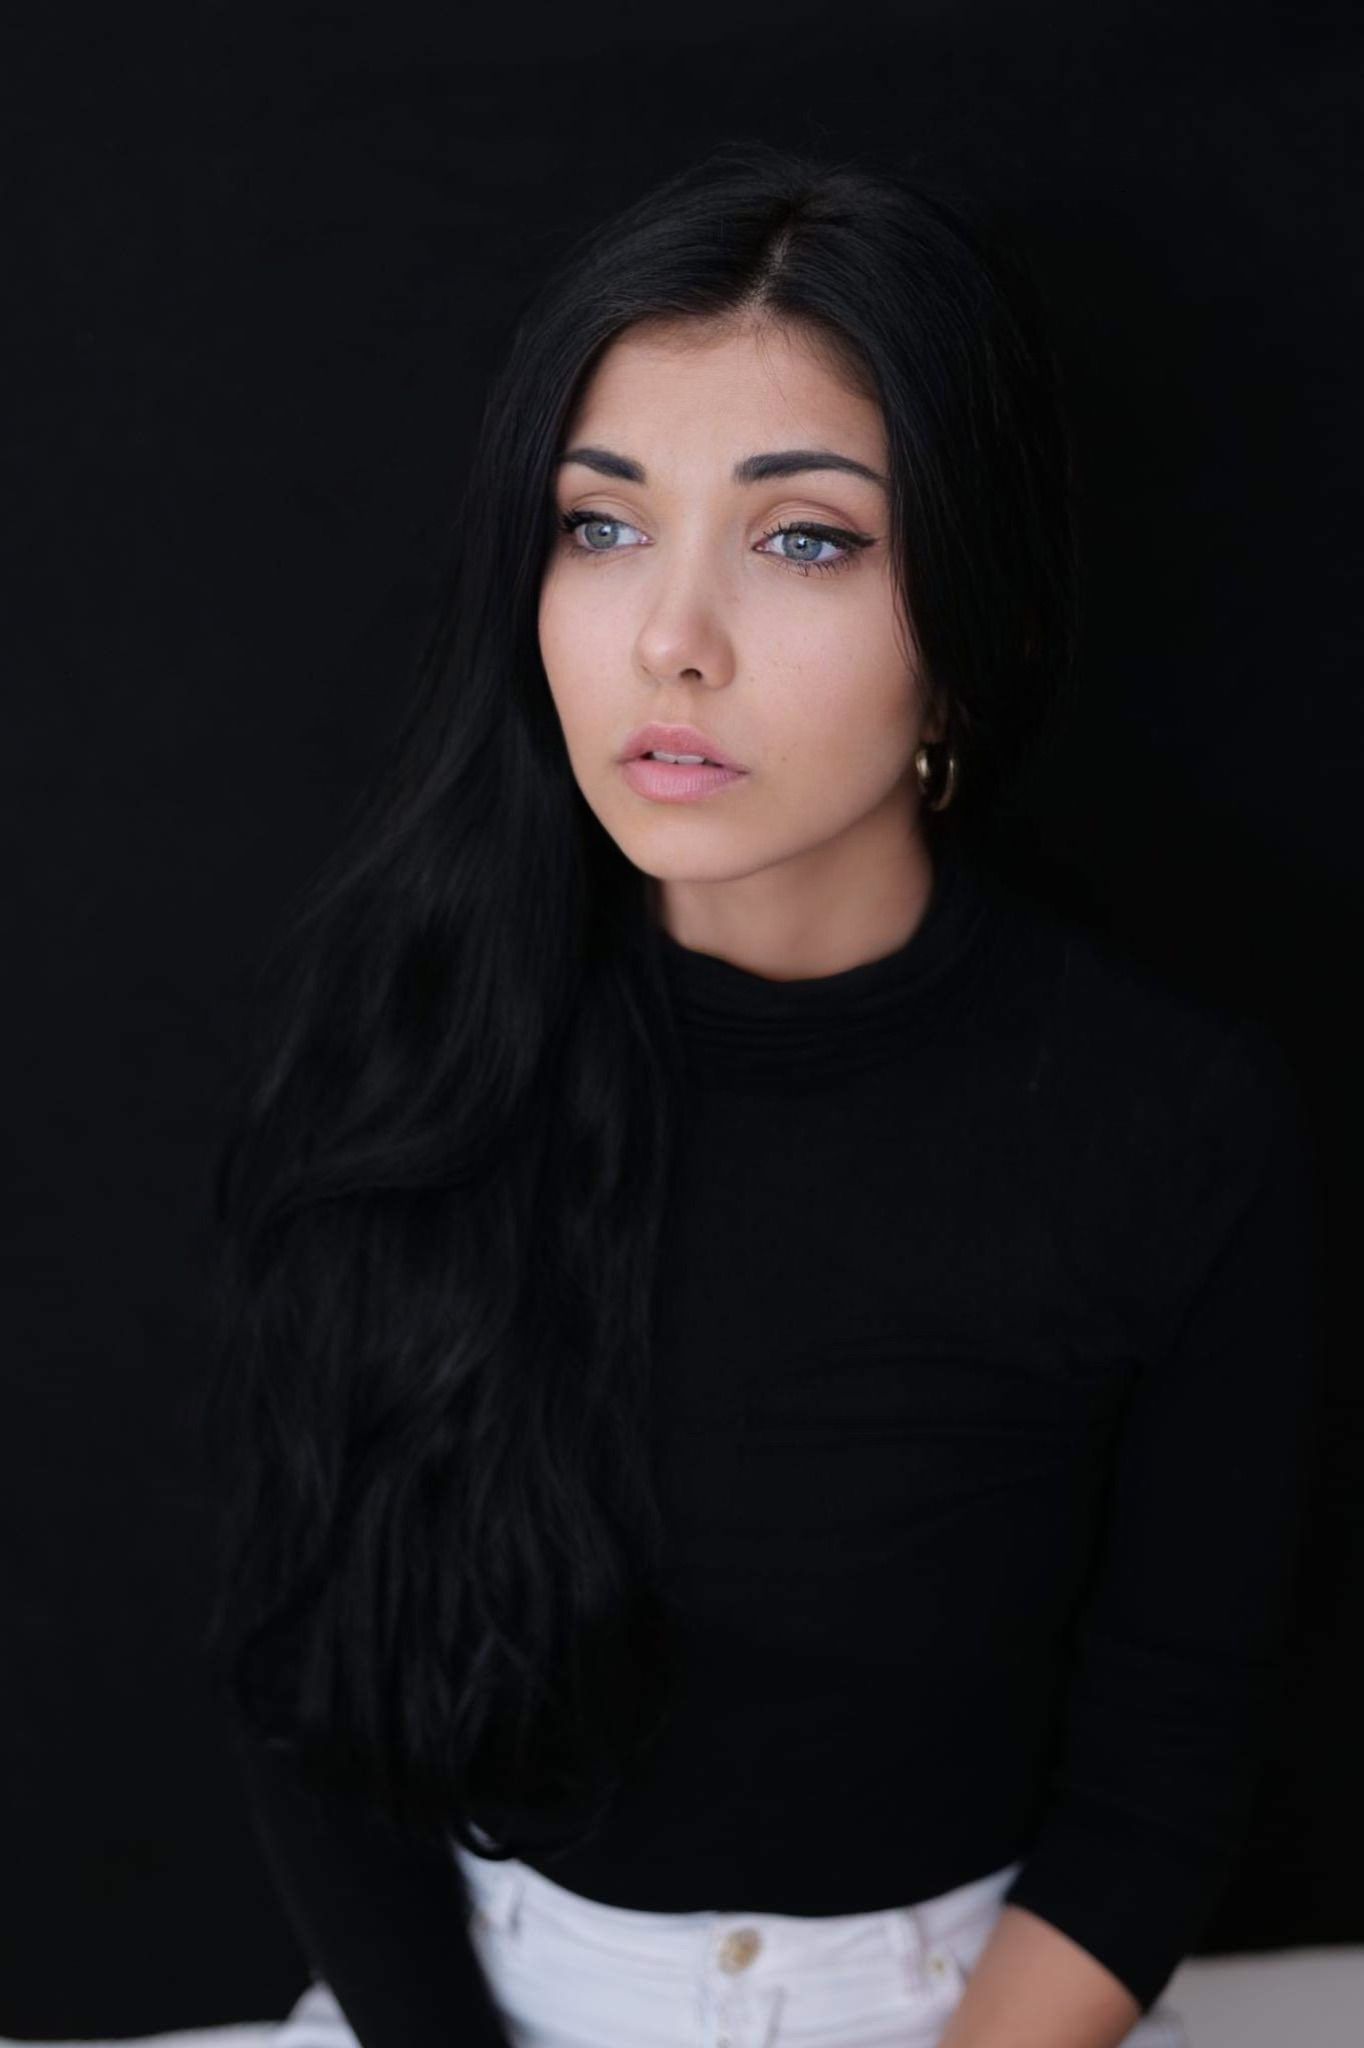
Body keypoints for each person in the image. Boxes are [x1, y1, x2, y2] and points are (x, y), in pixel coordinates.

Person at [202, 140, 1320, 2048]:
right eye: (601, 524)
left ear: (975, 624)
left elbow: (1163, 1774)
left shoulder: (1175, 1124)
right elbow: (308, 1693)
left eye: (805, 539)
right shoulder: (411, 1042)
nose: (671, 637)